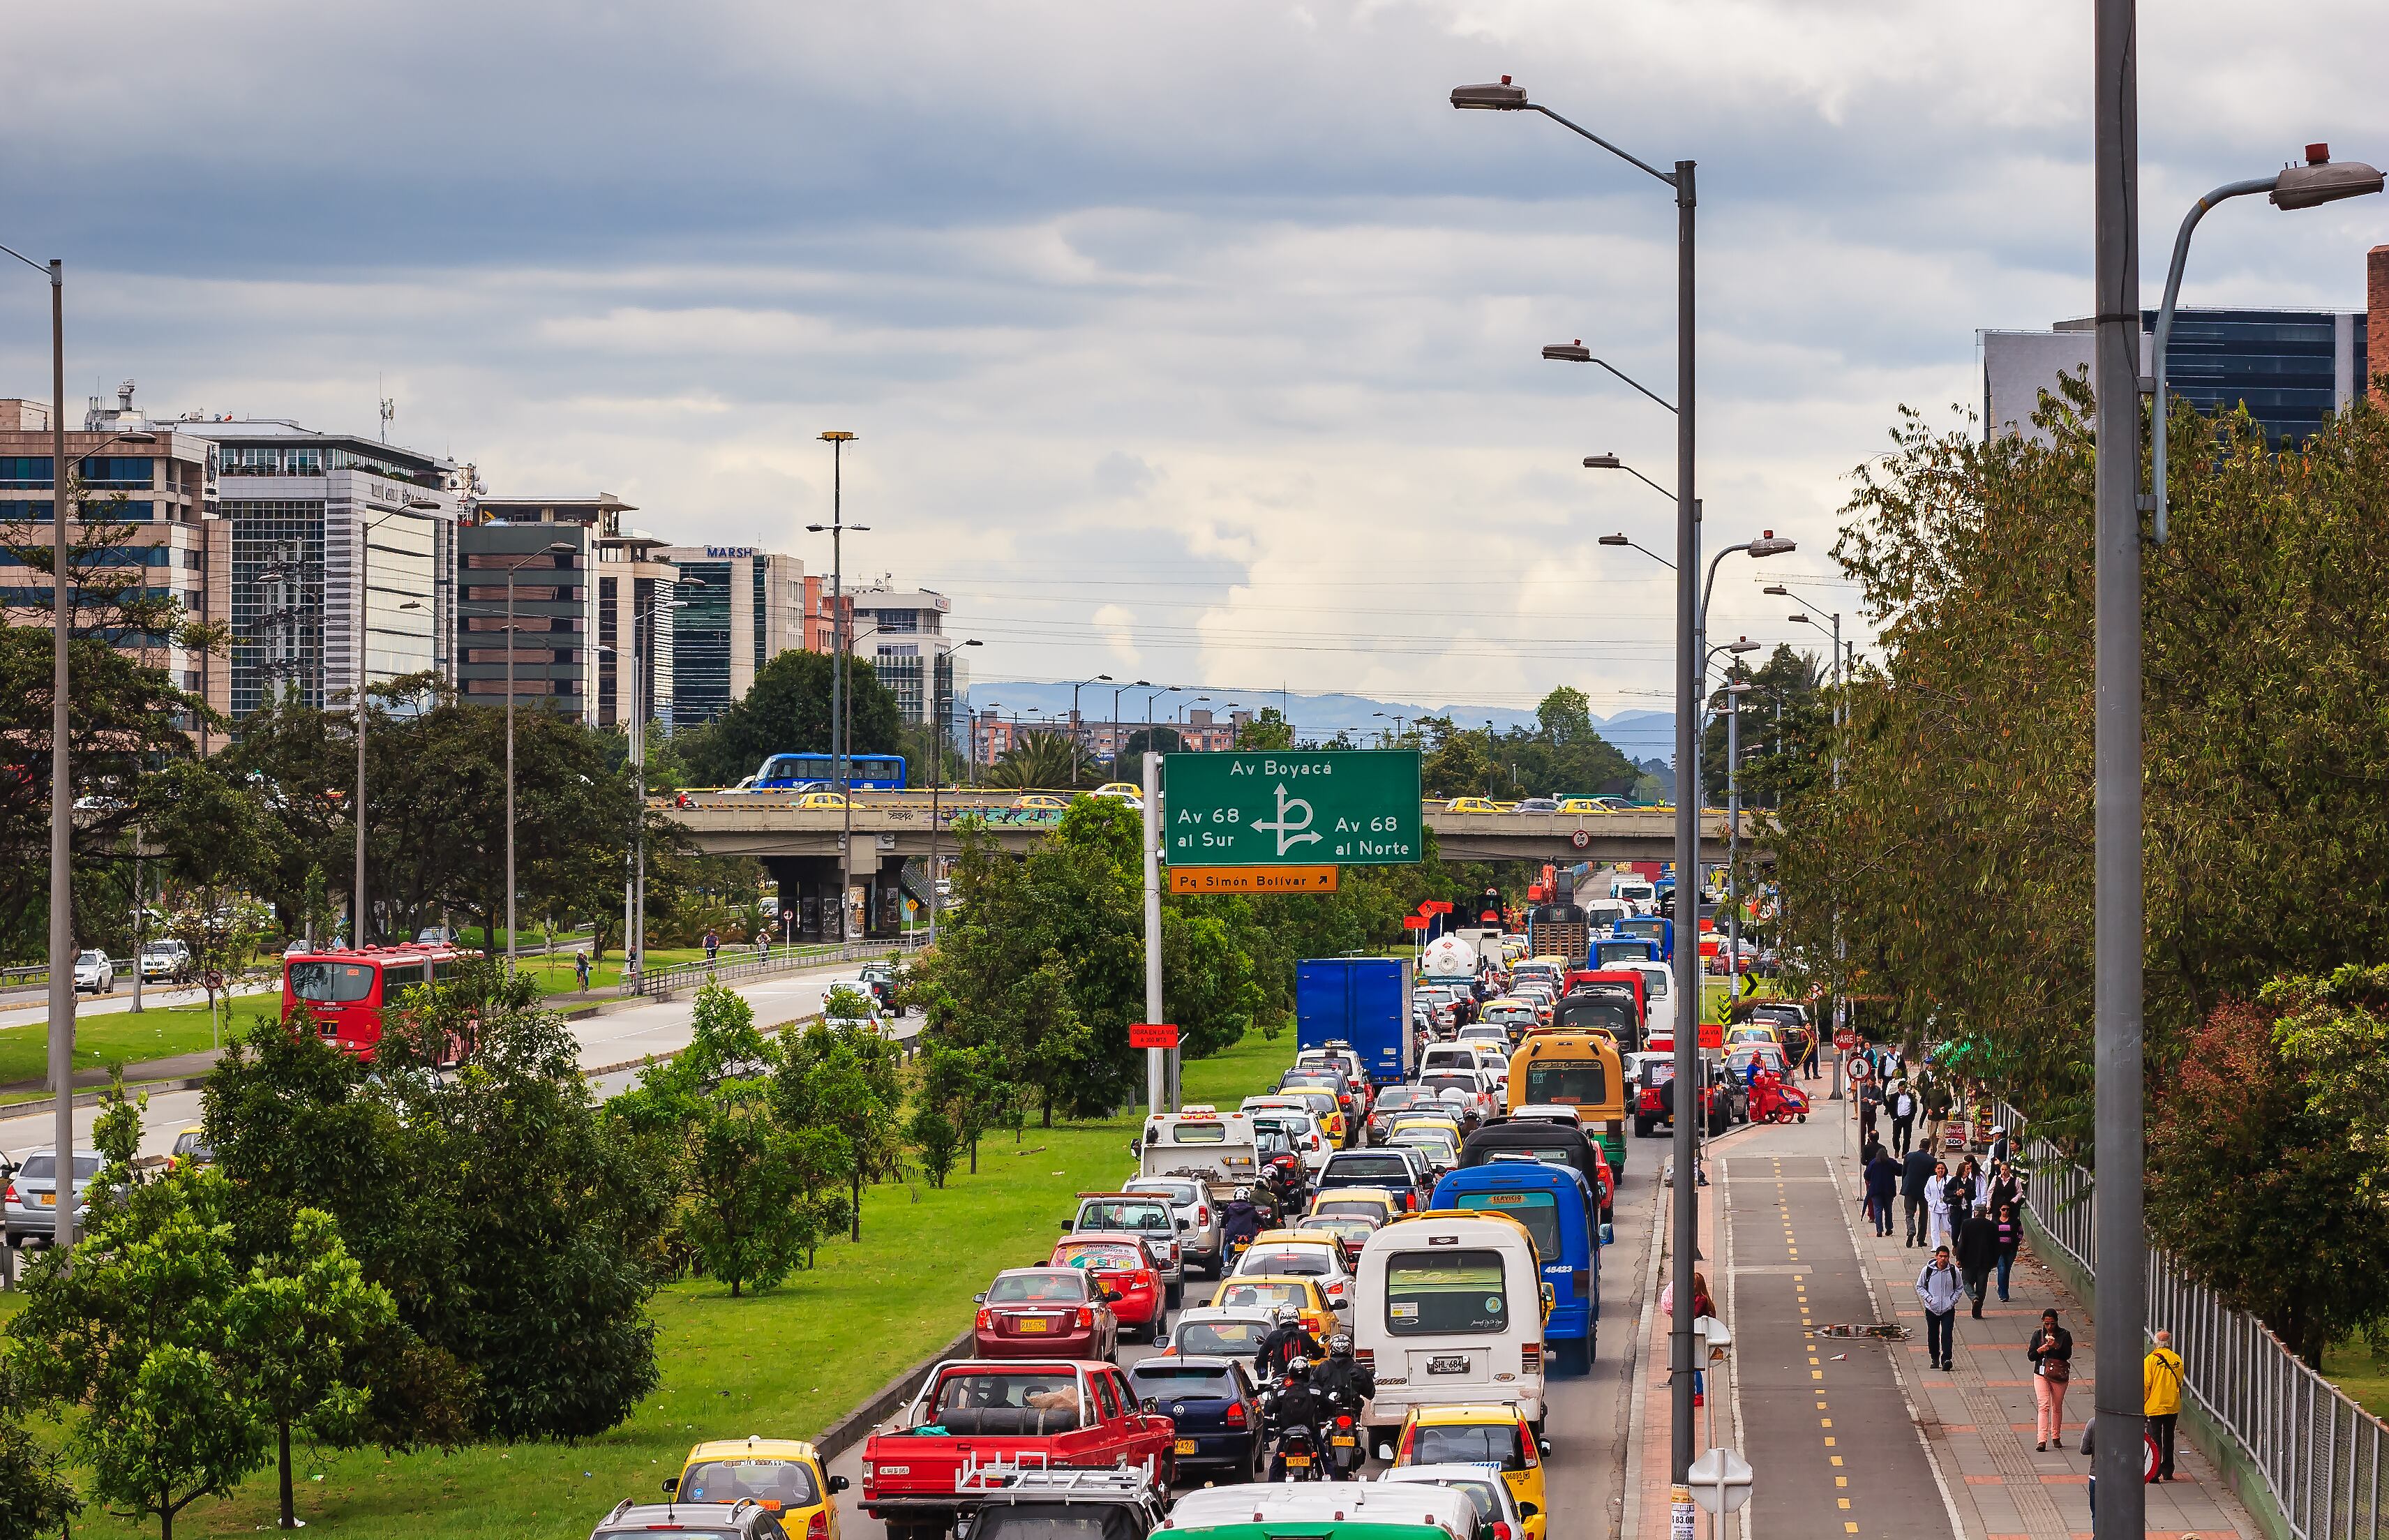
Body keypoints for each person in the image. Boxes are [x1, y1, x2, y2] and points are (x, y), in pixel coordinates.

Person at [1266, 1359, 1331, 1479]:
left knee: (1277, 1460)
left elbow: (1271, 1407)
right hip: (1311, 1431)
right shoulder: (1315, 1389)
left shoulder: (1282, 1390)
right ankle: (1336, 1484)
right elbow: (1327, 1405)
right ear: (1308, 1372)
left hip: (1286, 1433)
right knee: (1323, 1457)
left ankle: (1271, 1484)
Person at [2026, 1308, 2074, 1451]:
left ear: (2057, 1322)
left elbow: (2067, 1355)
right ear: (2043, 1322)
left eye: (2052, 1323)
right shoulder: (2038, 1335)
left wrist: (2056, 1346)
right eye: (2047, 1324)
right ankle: (2042, 1440)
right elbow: (2031, 1356)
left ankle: (2056, 1435)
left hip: (2058, 1374)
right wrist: (2040, 1350)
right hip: (2041, 1373)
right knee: (2043, 1405)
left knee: (2057, 1406)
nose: (2049, 1327)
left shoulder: (2065, 1335)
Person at [2145, 1327, 2185, 1481]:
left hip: (2155, 1406)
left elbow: (2145, 1385)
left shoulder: (2151, 1360)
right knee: (2169, 1437)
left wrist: (2142, 1403)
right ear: (2169, 1343)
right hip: (2173, 1405)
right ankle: (2168, 1470)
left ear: (2155, 1343)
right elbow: (2180, 1380)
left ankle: (2154, 1472)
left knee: (2155, 1439)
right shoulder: (2176, 1359)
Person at [1915, 1243, 1962, 1371]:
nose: (1943, 1259)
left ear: (1949, 1258)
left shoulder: (1954, 1271)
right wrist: (1930, 1299)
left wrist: (1952, 1302)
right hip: (1931, 1308)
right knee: (1933, 1333)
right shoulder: (1928, 1270)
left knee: (1947, 1333)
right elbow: (1920, 1286)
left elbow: (1959, 1288)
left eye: (1946, 1257)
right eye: (1941, 1256)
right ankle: (1934, 1357)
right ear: (1936, 1257)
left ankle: (1947, 1359)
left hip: (1948, 1309)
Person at [1954, 1206, 2000, 1319]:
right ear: (1985, 1214)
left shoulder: (1967, 1224)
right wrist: (1995, 1261)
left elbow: (1962, 1243)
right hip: (1985, 1262)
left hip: (1968, 1261)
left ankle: (1974, 1298)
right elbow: (1997, 1246)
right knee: (1982, 1285)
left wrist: (1959, 1258)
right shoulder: (1992, 1226)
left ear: (1975, 1213)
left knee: (1965, 1282)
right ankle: (1978, 1311)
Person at [1255, 1306, 1321, 1377]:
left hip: (1280, 1375)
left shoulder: (1274, 1335)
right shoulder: (1304, 1335)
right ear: (1297, 1317)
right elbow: (1318, 1352)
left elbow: (1262, 1354)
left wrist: (1261, 1366)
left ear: (1280, 1318)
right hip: (1301, 1377)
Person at [1900, 1140, 1938, 1248]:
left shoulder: (1909, 1156)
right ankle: (1921, 1239)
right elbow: (1932, 1178)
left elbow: (1904, 1173)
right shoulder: (1932, 1160)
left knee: (1909, 1213)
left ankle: (1911, 1231)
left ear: (1919, 1145)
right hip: (1924, 1191)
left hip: (1910, 1188)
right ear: (1929, 1148)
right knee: (1923, 1215)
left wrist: (1905, 1185)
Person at [1864, 1144, 1901, 1237]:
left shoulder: (1873, 1163)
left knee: (1878, 1209)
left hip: (1876, 1190)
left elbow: (1866, 1175)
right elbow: (1900, 1170)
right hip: (1889, 1190)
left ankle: (1879, 1230)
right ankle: (1889, 1228)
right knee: (1888, 1209)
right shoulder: (1891, 1162)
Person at [1993, 1202, 2022, 1302]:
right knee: (2002, 1270)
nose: (2006, 1211)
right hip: (1998, 1250)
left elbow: (2020, 1232)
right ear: (2000, 1210)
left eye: (2007, 1210)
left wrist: (2017, 1241)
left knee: (2007, 1271)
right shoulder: (1995, 1221)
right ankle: (2003, 1295)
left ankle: (2003, 1289)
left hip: (2011, 1249)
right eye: (2004, 1209)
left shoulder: (2015, 1222)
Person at [1925, 1158, 1954, 1250]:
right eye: (1939, 1168)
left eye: (1942, 1168)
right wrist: (1930, 1201)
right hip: (1934, 1206)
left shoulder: (1949, 1179)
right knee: (1934, 1228)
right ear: (1935, 1170)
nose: (1940, 1170)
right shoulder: (1931, 1179)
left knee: (1947, 1227)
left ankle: (1956, 1241)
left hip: (1945, 1206)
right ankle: (1936, 1246)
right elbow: (1927, 1191)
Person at [1922, 1073, 1953, 1151]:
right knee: (1932, 1135)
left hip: (1942, 1117)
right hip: (1932, 1117)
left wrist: (1945, 1108)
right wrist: (1928, 1109)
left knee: (1942, 1135)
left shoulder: (1945, 1092)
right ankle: (1933, 1150)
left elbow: (1950, 1103)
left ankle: (1942, 1151)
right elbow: (1926, 1102)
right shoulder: (1931, 1091)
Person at [1889, 1079, 1919, 1156]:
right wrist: (1894, 1118)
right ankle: (1897, 1149)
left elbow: (1914, 1108)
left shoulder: (1911, 1096)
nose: (1901, 1091)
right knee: (1896, 1136)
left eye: (1903, 1089)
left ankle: (1905, 1152)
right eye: (1900, 1089)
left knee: (1907, 1137)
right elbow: (1891, 1108)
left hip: (1907, 1119)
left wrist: (1911, 1118)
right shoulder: (1894, 1096)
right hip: (1897, 1119)